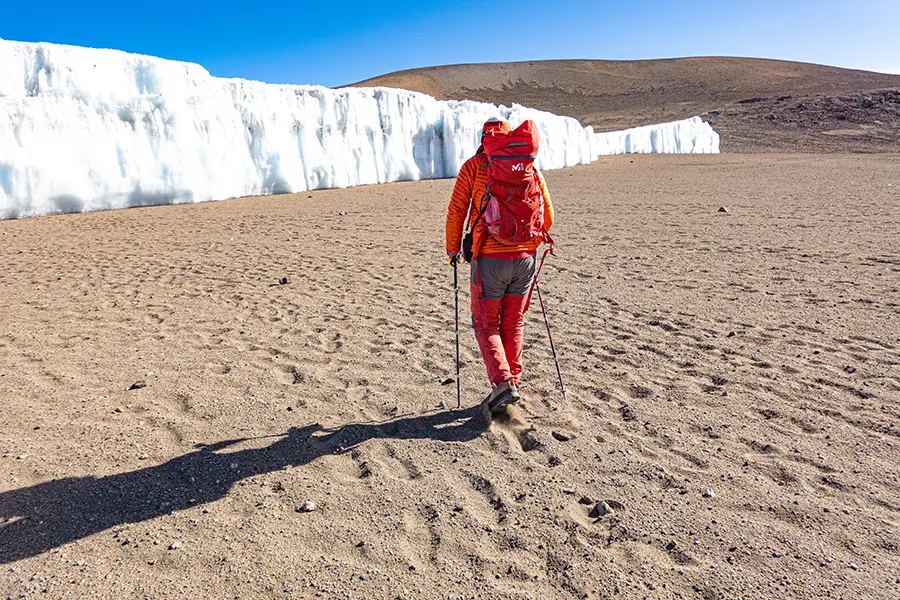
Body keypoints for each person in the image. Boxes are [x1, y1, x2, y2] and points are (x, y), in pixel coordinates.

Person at [445, 119, 555, 413]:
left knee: (485, 323)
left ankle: (503, 383)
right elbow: (548, 217)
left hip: (490, 259)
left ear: (484, 138)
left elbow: (457, 210)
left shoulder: (474, 166)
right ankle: (514, 382)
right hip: (525, 260)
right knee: (513, 322)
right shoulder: (529, 168)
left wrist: (453, 250)